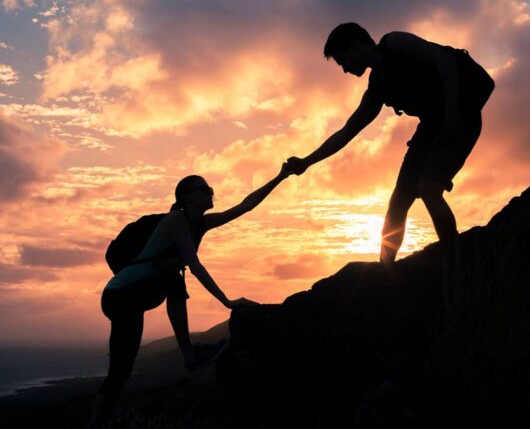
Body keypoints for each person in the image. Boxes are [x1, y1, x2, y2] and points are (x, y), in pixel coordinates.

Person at [89, 163, 291, 428]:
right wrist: (227, 301)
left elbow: (245, 206)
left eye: (210, 188)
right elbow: (194, 266)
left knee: (120, 374)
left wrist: (280, 176)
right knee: (173, 279)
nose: (209, 193)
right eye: (202, 189)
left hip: (136, 297)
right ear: (185, 197)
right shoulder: (176, 220)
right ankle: (189, 354)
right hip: (121, 295)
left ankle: (94, 424)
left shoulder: (201, 224)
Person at [286, 23, 494, 265]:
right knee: (399, 201)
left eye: (343, 61)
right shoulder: (377, 88)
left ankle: (456, 259)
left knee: (428, 188)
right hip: (431, 127)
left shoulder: (395, 43)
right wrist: (306, 162)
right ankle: (385, 272)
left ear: (355, 46)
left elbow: (444, 61)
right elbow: (346, 132)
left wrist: (451, 110)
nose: (344, 70)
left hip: (460, 114)